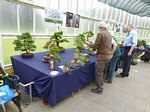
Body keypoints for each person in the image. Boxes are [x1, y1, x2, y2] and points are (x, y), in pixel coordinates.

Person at [86, 21, 112, 94]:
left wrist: (89, 43)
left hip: (102, 57)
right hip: (108, 56)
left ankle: (99, 89)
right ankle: (101, 84)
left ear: (100, 27)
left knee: (99, 73)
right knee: (103, 72)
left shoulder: (100, 34)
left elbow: (96, 46)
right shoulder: (109, 34)